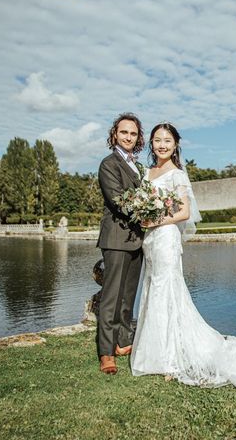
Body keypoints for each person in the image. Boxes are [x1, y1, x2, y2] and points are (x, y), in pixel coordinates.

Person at [130, 123, 236, 388]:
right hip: (151, 240)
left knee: (166, 290)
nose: (162, 145)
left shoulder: (177, 174)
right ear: (151, 143)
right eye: (157, 140)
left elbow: (184, 213)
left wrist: (154, 221)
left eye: (167, 140)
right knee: (152, 288)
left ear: (175, 144)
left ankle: (169, 358)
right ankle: (153, 353)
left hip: (166, 237)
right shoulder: (147, 173)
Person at [96, 113, 145, 375]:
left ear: (138, 138)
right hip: (116, 238)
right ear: (115, 134)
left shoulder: (138, 166)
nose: (128, 137)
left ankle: (123, 342)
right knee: (111, 298)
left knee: (128, 296)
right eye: (124, 132)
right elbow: (117, 200)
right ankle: (106, 352)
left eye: (133, 133)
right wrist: (150, 213)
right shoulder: (109, 164)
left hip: (137, 240)